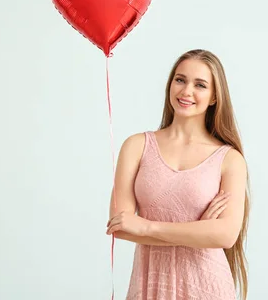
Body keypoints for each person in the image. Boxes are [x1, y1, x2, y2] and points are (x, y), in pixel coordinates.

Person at [106, 49, 250, 300]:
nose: (186, 92)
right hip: (149, 286)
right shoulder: (137, 146)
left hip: (206, 287)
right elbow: (120, 226)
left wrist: (146, 226)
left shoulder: (229, 160)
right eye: (180, 80)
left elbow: (225, 235)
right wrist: (199, 232)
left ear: (215, 96)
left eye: (200, 85)